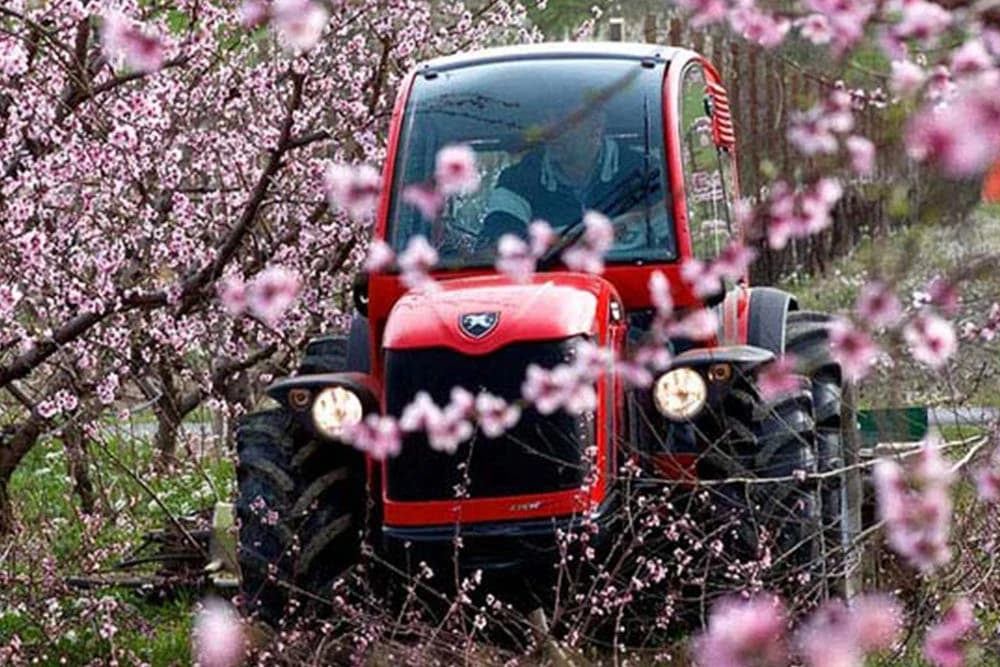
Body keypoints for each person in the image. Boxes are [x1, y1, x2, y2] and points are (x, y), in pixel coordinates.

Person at [479, 109, 667, 251]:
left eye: (563, 120)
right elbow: (494, 251)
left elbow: (672, 241)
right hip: (550, 291)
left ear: (596, 125)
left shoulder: (648, 172)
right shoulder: (516, 181)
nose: (550, 129)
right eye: (546, 119)